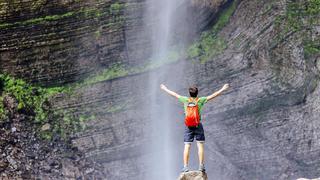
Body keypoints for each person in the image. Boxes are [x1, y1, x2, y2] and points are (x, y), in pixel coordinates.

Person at [160, 83, 229, 172]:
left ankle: (185, 167)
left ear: (189, 93)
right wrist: (222, 89)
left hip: (188, 126)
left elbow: (175, 95)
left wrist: (165, 89)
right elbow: (212, 96)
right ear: (197, 93)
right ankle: (201, 166)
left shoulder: (185, 100)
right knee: (200, 145)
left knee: (187, 146)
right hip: (197, 125)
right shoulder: (200, 100)